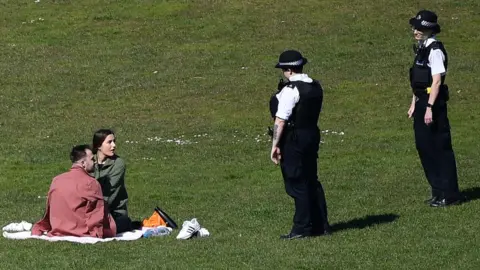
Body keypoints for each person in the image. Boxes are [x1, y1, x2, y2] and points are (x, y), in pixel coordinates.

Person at [269, 50, 330, 239]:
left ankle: (302, 227)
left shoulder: (290, 90)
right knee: (312, 179)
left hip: (294, 139)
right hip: (312, 135)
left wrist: (274, 145)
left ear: (288, 69)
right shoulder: (315, 86)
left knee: (296, 182)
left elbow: (280, 120)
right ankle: (321, 224)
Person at [408, 10, 463, 207]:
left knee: (439, 147)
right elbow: (418, 81)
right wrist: (414, 103)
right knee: (424, 146)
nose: (415, 31)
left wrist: (430, 106)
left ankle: (449, 194)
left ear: (429, 30)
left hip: (434, 103)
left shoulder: (435, 50)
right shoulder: (422, 49)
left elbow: (437, 81)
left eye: (419, 28)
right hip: (423, 101)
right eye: (415, 27)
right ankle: (437, 190)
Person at [31, 145, 116, 238]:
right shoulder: (91, 183)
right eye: (92, 159)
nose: (95, 162)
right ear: (83, 163)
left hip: (58, 229)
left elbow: (49, 211)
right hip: (81, 231)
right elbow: (97, 215)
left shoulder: (56, 180)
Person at [92, 129, 132, 233]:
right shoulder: (89, 161)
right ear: (98, 145)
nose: (114, 145)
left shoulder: (118, 164)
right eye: (109, 142)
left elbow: (110, 193)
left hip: (113, 211)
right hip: (90, 209)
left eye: (114, 141)